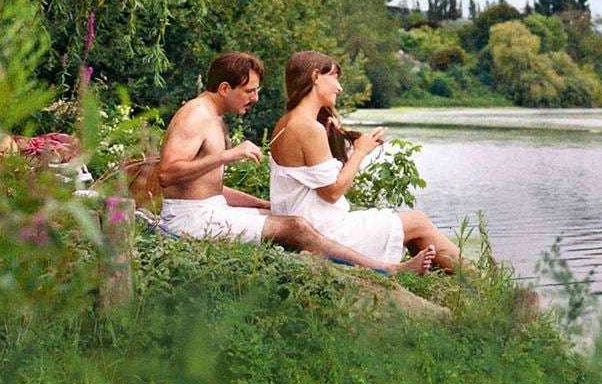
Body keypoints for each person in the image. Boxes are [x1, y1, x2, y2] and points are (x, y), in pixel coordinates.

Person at [157, 51, 434, 275]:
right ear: (225, 88)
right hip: (189, 219)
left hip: (207, 209)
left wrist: (262, 204)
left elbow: (207, 188)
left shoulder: (213, 115)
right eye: (249, 91)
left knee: (283, 218)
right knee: (296, 227)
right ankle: (387, 269)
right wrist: (228, 155)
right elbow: (167, 174)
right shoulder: (196, 114)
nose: (255, 98)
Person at [269, 51, 463, 272]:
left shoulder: (287, 122)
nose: (339, 87)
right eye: (334, 77)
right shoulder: (307, 127)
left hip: (308, 222)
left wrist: (340, 134)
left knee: (411, 226)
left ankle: (462, 281)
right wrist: (360, 152)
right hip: (322, 232)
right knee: (417, 222)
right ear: (315, 76)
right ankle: (478, 282)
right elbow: (331, 193)